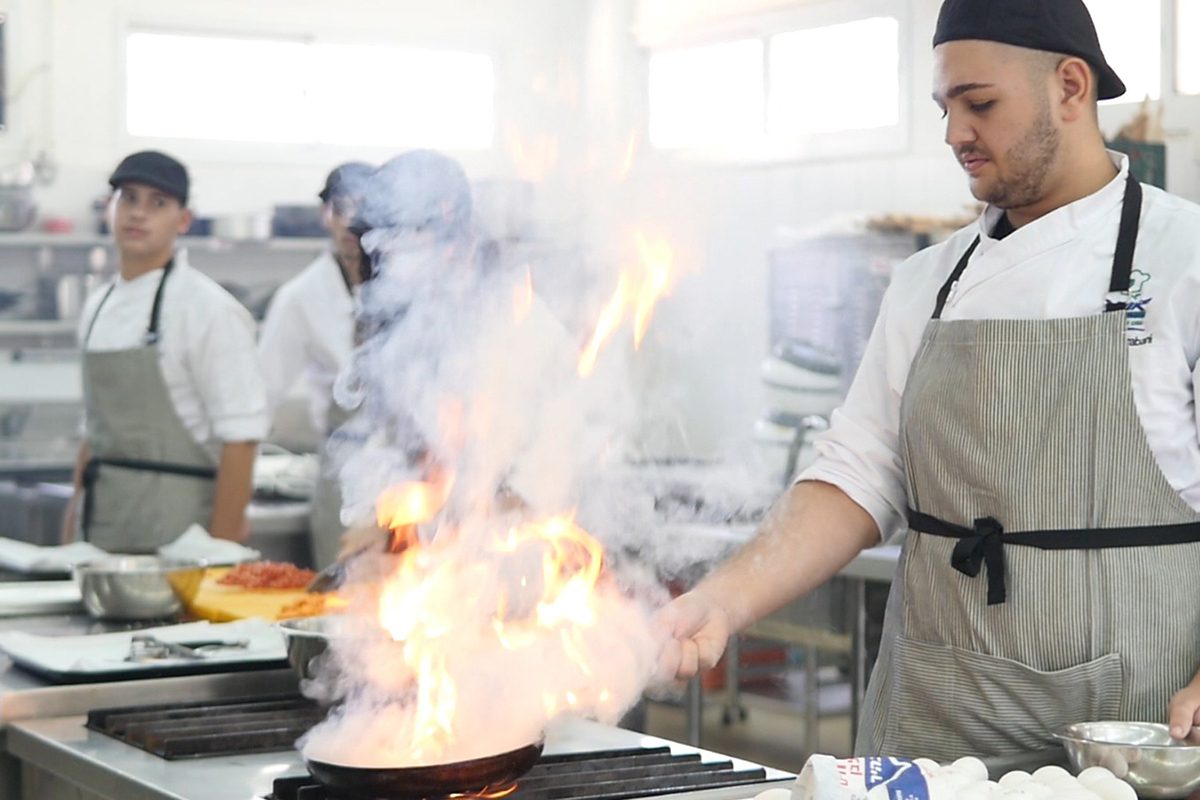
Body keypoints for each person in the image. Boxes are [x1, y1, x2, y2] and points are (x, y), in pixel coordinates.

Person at [659, 0, 1200, 770]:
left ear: (1071, 88)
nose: (954, 135)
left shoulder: (1185, 260)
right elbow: (853, 475)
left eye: (979, 104)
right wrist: (720, 600)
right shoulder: (927, 284)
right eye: (946, 107)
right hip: (930, 728)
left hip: (1121, 739)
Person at [61, 150, 268, 552]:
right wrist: (72, 525)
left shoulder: (209, 310)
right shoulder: (96, 306)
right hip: (102, 529)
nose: (138, 214)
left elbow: (242, 439)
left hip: (182, 533)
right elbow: (94, 429)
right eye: (129, 198)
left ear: (183, 220)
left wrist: (218, 555)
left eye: (158, 203)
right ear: (110, 208)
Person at [257, 161, 373, 569]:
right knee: (345, 612)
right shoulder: (301, 296)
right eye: (341, 209)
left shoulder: (413, 286)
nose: (352, 222)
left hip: (411, 476)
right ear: (326, 215)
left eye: (366, 208)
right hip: (344, 474)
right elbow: (261, 392)